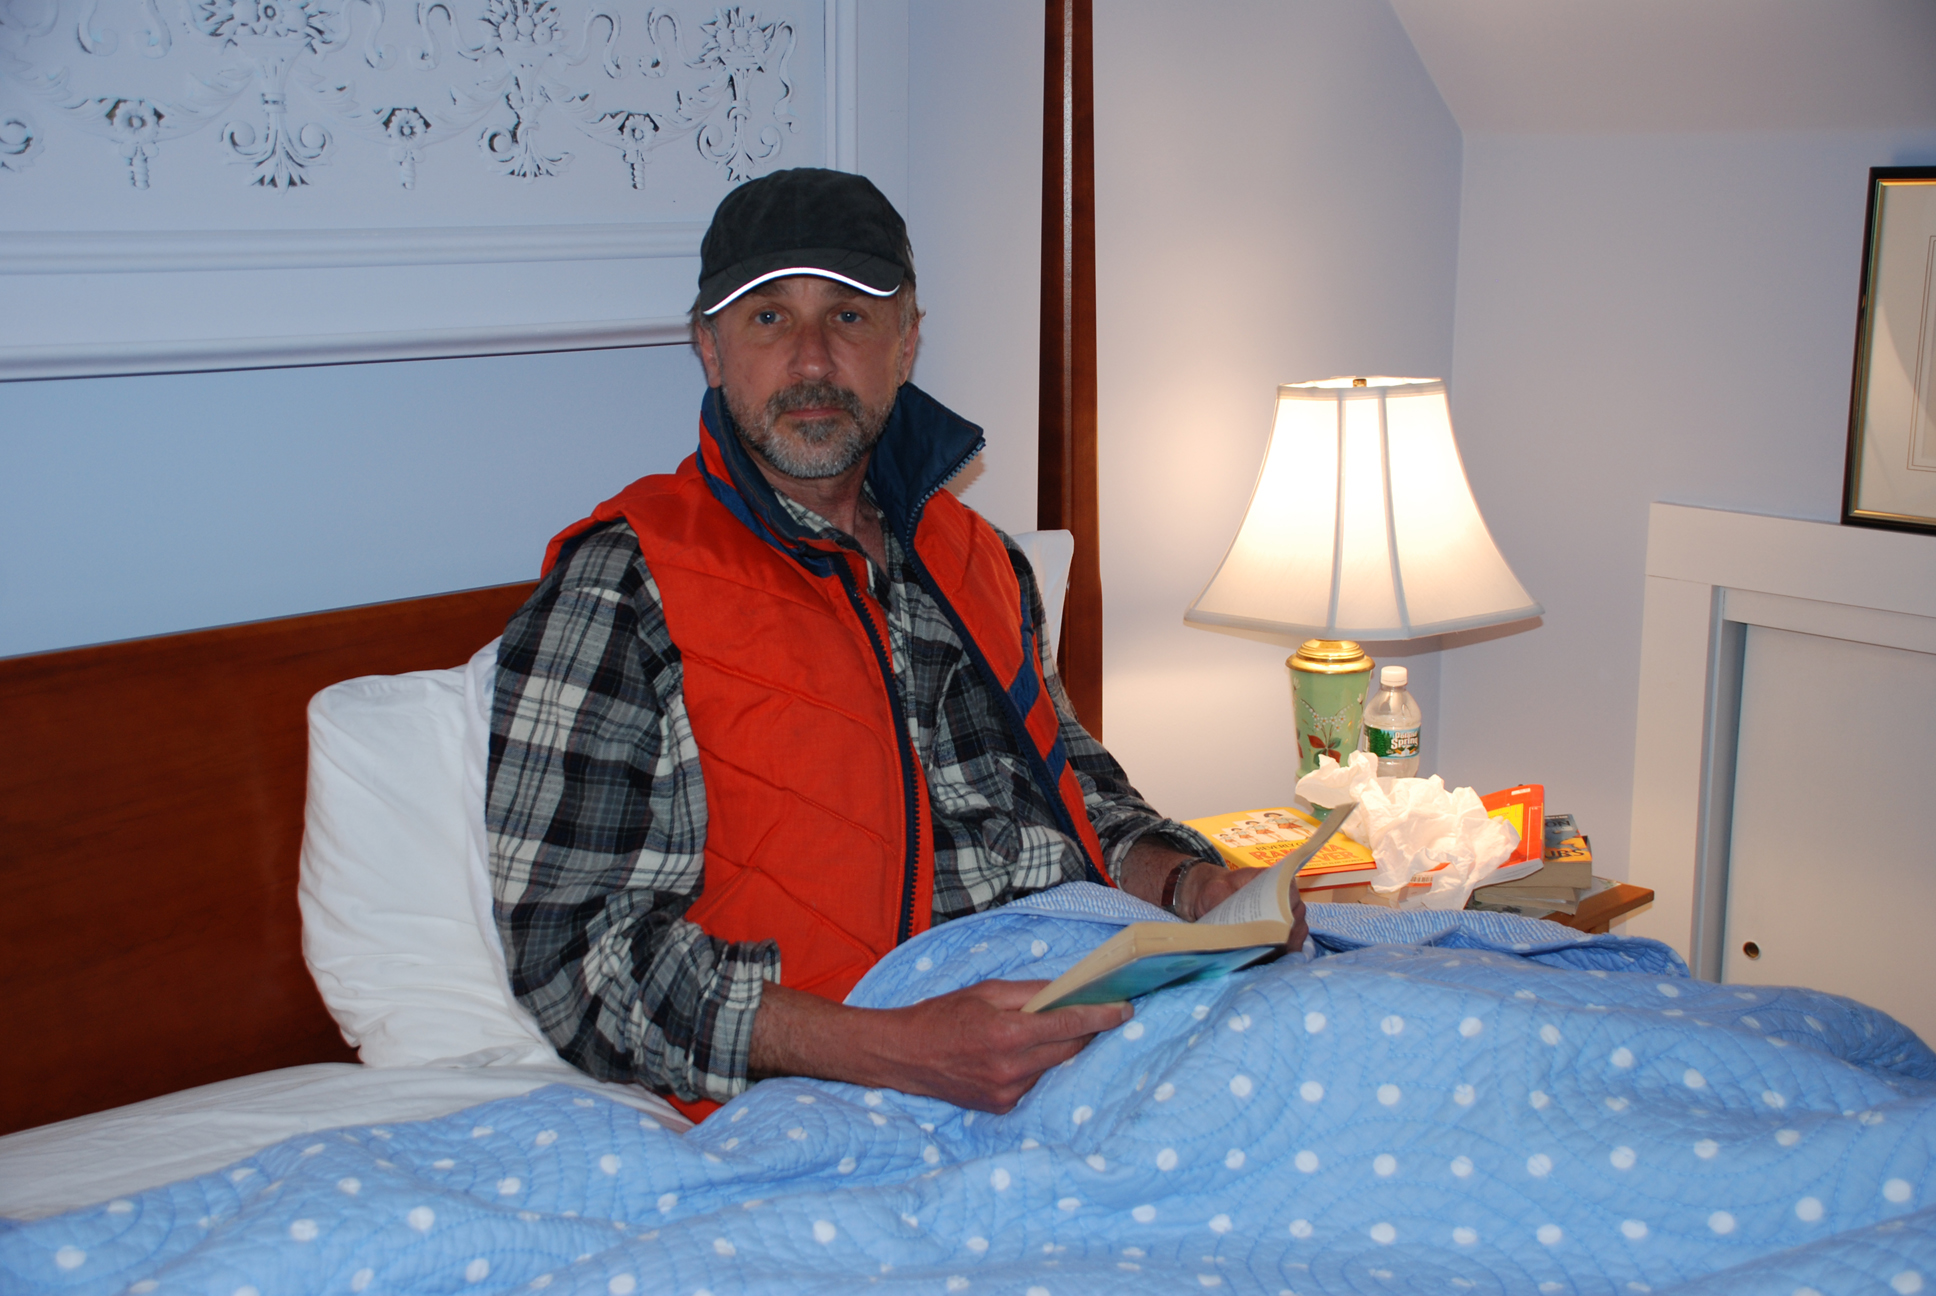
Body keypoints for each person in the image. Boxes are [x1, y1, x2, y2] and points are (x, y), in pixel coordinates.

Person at [486, 167, 1303, 1123]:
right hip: (852, 1084)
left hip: (1097, 1008)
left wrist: (1195, 886)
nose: (812, 361)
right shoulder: (624, 588)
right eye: (768, 320)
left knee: (1410, 1020)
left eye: (850, 318)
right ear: (709, 348)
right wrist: (896, 1049)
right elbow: (570, 961)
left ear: (906, 342)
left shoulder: (982, 560)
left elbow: (1084, 798)